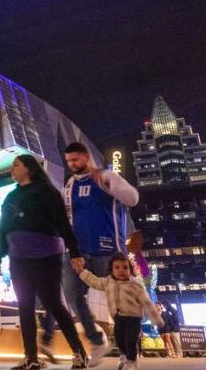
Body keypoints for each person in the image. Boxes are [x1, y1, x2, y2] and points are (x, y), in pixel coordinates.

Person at [46, 142, 139, 367]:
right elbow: (67, 219)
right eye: (68, 161)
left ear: (86, 157)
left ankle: (128, 355)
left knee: (120, 305)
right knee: (73, 296)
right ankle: (97, 341)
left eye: (75, 160)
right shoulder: (68, 185)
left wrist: (109, 183)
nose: (71, 165)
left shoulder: (106, 176)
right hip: (78, 252)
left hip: (109, 251)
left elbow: (133, 199)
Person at [0, 154, 90, 370]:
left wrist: (74, 251)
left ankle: (79, 353)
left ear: (29, 168)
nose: (12, 168)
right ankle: (31, 358)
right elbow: (3, 226)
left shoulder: (46, 191)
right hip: (17, 257)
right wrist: (0, 253)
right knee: (25, 305)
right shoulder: (10, 196)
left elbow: (62, 222)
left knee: (53, 303)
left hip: (45, 255)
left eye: (16, 165)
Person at [75, 253, 162, 370]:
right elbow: (95, 281)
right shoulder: (108, 282)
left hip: (133, 318)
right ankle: (129, 357)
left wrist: (156, 318)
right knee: (120, 341)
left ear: (130, 270)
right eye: (117, 267)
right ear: (111, 270)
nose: (121, 270)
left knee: (130, 341)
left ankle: (131, 361)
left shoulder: (135, 285)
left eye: (125, 267)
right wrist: (82, 272)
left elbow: (146, 302)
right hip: (118, 318)